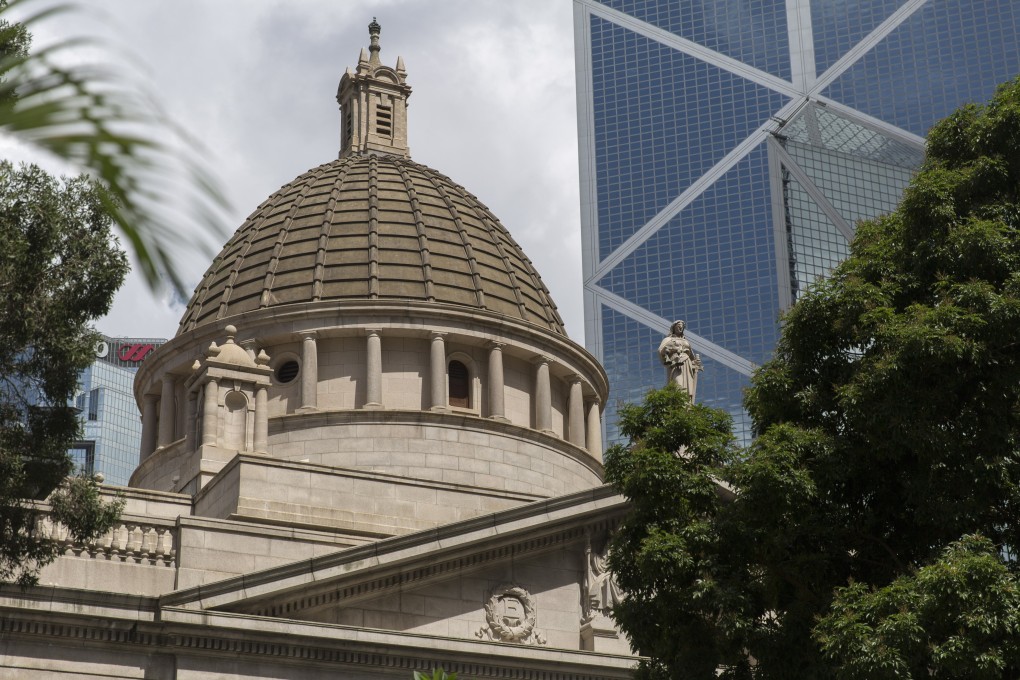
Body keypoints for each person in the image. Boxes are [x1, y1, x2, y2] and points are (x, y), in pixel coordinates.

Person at [657, 320, 703, 400]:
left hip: (687, 363)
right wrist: (668, 350)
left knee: (687, 388)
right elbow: (660, 351)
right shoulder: (668, 339)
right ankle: (678, 403)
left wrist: (696, 362)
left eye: (682, 326)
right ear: (674, 328)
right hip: (675, 363)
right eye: (678, 326)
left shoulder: (686, 341)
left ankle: (687, 405)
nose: (680, 327)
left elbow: (691, 357)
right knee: (678, 384)